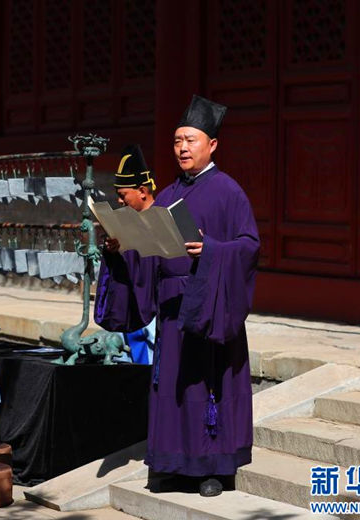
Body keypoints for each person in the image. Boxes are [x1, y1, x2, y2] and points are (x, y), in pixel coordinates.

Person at [95, 95, 259, 497]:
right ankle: (172, 464)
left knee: (204, 387)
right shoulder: (167, 196)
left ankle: (212, 470)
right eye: (176, 141)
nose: (182, 148)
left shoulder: (228, 192)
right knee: (171, 387)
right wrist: (119, 251)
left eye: (190, 140)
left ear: (212, 145)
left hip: (209, 304)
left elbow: (249, 247)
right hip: (171, 310)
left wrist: (212, 251)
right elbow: (147, 259)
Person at [109, 144, 158, 364]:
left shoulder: (162, 219)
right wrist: (113, 251)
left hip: (155, 308)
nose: (120, 201)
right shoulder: (128, 221)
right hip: (132, 305)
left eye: (123, 195)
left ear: (142, 192)